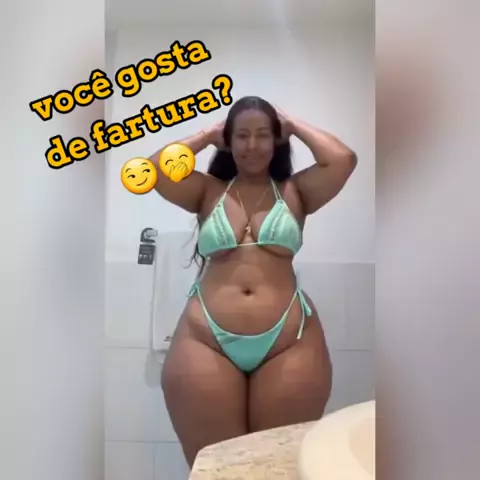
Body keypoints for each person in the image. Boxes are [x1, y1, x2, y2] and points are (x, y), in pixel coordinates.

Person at [149, 96, 357, 468]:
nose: (252, 145)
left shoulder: (296, 192)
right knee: (216, 467)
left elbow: (342, 159)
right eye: (241, 135)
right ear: (228, 141)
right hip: (205, 341)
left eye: (263, 134)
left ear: (276, 140)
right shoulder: (207, 191)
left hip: (288, 343)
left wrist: (292, 124)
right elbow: (154, 170)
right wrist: (206, 134)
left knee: (278, 466)